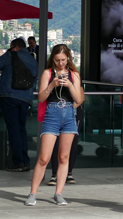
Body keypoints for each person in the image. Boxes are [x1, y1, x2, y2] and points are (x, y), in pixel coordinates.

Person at [24, 44, 83, 207]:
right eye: (57, 60)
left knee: (64, 157)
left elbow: (78, 99)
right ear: (53, 59)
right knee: (44, 158)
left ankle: (59, 193)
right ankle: (33, 193)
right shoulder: (48, 73)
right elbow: (41, 98)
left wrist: (70, 85)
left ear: (68, 58)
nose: (61, 63)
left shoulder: (74, 75)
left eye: (64, 60)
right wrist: (52, 85)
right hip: (52, 114)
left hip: (69, 114)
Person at [0, 38, 39, 172]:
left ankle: (17, 162)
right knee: (21, 129)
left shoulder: (10, 55)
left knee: (13, 129)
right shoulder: (33, 61)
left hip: (9, 96)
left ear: (15, 47)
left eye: (10, 47)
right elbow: (34, 81)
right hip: (25, 99)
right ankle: (25, 161)